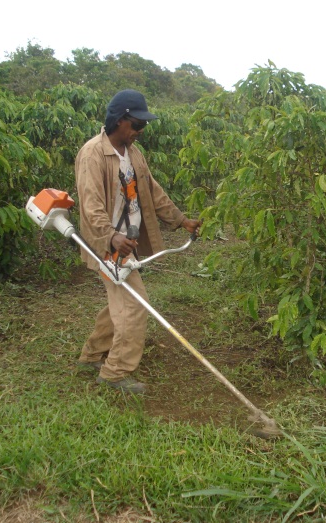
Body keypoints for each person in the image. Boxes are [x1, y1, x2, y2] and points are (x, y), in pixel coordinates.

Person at [75, 89, 201, 394]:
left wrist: (180, 219)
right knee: (134, 305)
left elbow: (151, 190)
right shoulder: (93, 153)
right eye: (136, 125)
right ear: (120, 121)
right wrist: (112, 236)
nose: (140, 132)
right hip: (107, 245)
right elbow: (90, 205)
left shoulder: (133, 153)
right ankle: (115, 373)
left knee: (120, 301)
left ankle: (92, 355)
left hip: (126, 243)